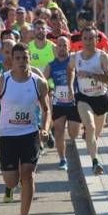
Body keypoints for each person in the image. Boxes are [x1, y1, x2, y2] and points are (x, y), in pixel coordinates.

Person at [0, 43, 50, 215]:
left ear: (30, 59)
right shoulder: (1, 82)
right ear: (11, 61)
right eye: (18, 58)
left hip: (29, 133)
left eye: (25, 58)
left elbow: (46, 110)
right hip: (7, 135)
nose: (22, 62)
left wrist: (45, 129)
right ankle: (11, 187)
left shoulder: (39, 83)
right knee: (12, 181)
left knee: (28, 174)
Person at [68, 26, 108, 175]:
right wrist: (70, 86)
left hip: (101, 98)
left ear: (97, 39)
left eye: (91, 38)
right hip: (83, 98)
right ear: (81, 40)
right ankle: (95, 162)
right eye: (85, 38)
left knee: (95, 135)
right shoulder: (75, 57)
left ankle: (89, 138)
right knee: (90, 126)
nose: (88, 41)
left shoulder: (102, 56)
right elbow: (69, 69)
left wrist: (91, 75)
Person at [44, 36, 80, 170]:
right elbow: (43, 80)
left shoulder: (74, 61)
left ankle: (70, 148)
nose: (62, 48)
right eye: (59, 45)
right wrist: (50, 88)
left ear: (69, 47)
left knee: (73, 133)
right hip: (59, 102)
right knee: (59, 131)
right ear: (55, 48)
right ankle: (62, 159)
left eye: (64, 45)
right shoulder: (51, 65)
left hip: (73, 102)